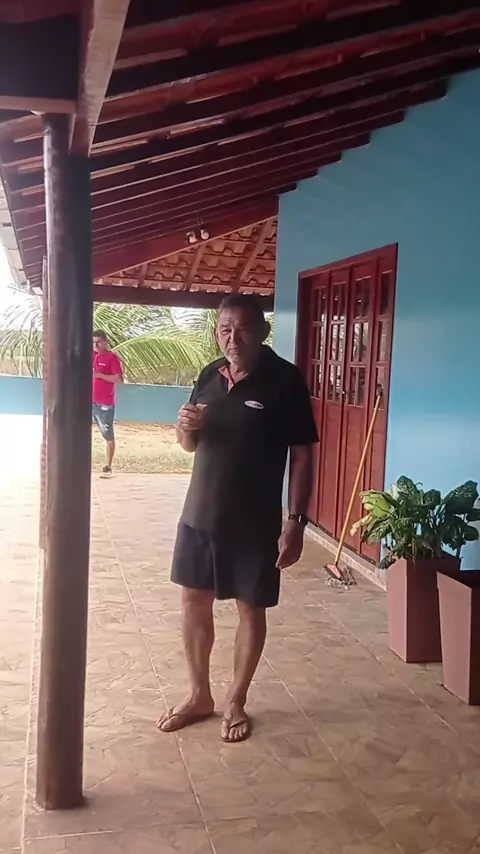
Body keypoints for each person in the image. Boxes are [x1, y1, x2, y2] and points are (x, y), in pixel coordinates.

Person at [157, 294, 318, 743]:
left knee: (251, 608)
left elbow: (303, 456)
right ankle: (199, 695)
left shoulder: (285, 380)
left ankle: (236, 700)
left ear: (262, 332)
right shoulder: (210, 374)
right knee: (193, 602)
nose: (233, 339)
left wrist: (296, 521)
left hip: (254, 522)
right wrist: (184, 428)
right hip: (199, 514)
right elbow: (189, 445)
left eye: (243, 329)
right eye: (225, 330)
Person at [92, 330, 123, 478]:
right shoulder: (94, 356)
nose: (96, 345)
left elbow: (119, 379)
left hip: (105, 403)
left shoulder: (112, 358)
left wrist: (99, 375)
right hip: (90, 401)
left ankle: (108, 466)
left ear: (105, 342)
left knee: (107, 434)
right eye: (94, 342)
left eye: (98, 342)